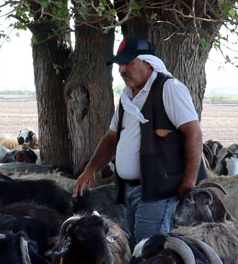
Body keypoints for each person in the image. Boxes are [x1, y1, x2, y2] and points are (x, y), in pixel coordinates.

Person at [72, 36, 205, 241]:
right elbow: (111, 139)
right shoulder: (127, 97)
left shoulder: (169, 88)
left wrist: (188, 182)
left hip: (158, 192)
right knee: (137, 249)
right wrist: (90, 170)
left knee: (148, 253)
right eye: (120, 64)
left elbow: (194, 134)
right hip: (131, 191)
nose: (122, 69)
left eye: (128, 62)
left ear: (147, 62)